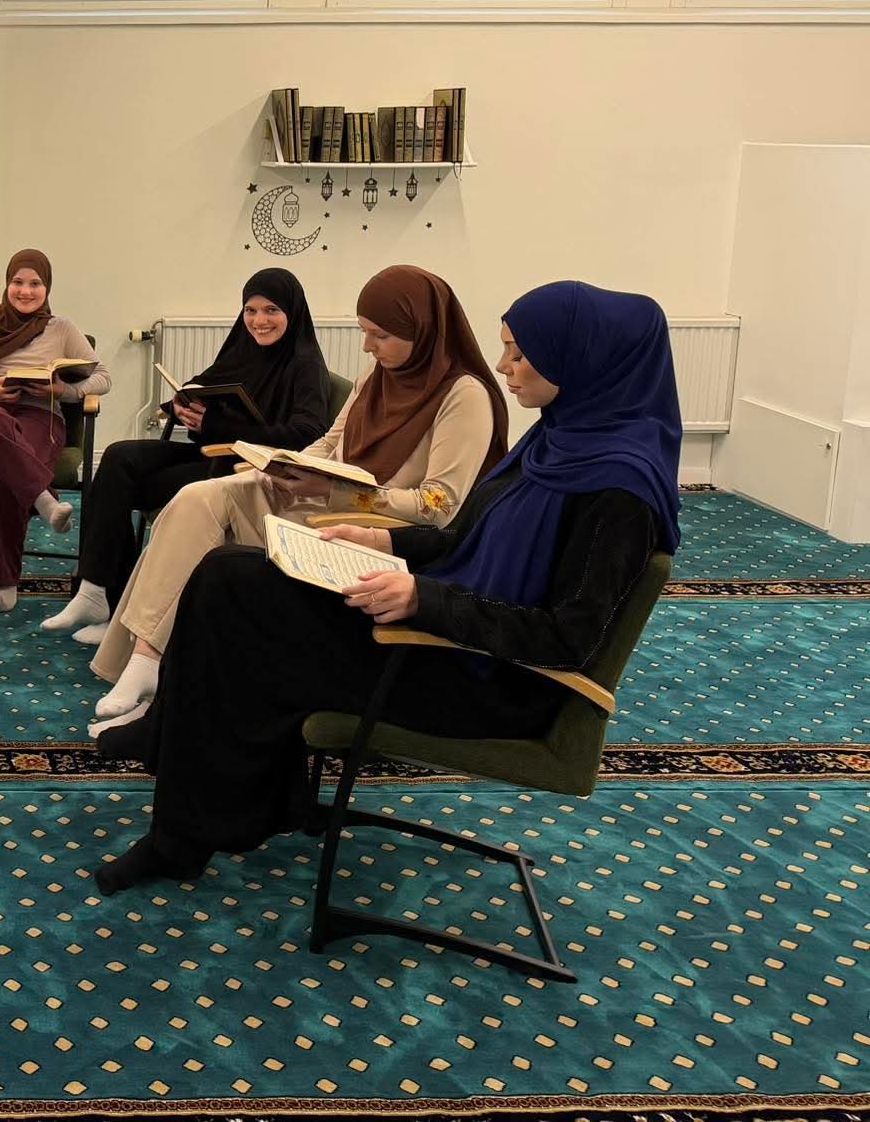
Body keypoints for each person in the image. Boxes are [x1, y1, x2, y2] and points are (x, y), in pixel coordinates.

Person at [89, 281, 683, 896]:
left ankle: (182, 835)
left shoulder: (619, 491)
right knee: (227, 575)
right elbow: (467, 542)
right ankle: (236, 797)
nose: (504, 365)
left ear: (581, 358)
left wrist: (423, 598)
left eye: (520, 352)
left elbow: (567, 638)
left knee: (243, 610)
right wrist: (379, 542)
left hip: (485, 677)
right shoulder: (559, 442)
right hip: (447, 631)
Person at [86, 265, 506, 728]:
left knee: (211, 554)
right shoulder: (379, 373)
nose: (368, 347)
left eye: (381, 336)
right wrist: (289, 465)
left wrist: (337, 491)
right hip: (321, 496)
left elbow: (438, 506)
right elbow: (332, 441)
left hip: (368, 529)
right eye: (365, 332)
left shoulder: (464, 395)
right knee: (196, 499)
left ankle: (161, 678)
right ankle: (147, 658)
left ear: (422, 330)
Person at [44, 268, 331, 637]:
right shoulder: (243, 349)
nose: (259, 321)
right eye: (250, 310)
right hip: (211, 454)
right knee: (117, 458)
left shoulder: (305, 364)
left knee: (121, 486)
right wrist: (181, 404)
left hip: (244, 473)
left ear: (292, 311)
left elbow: (305, 436)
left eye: (271, 310)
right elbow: (207, 384)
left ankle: (115, 612)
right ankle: (96, 591)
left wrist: (216, 425)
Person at [0, 250, 111, 612]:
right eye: (17, 282)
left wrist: (63, 391)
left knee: (7, 470)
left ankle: (3, 580)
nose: (25, 291)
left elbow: (103, 378)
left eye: (35, 283)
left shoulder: (61, 328)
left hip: (40, 416)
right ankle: (43, 500)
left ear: (47, 287)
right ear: (7, 285)